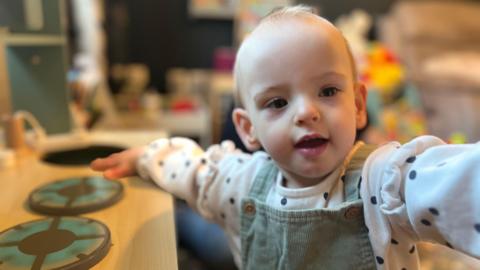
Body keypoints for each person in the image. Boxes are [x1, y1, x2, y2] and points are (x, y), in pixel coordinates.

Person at [91, 5, 480, 269]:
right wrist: (146, 156)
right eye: (278, 102)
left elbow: (459, 182)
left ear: (359, 105)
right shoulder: (238, 180)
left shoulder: (387, 183)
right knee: (187, 225)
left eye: (327, 92)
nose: (307, 112)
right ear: (248, 129)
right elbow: (194, 168)